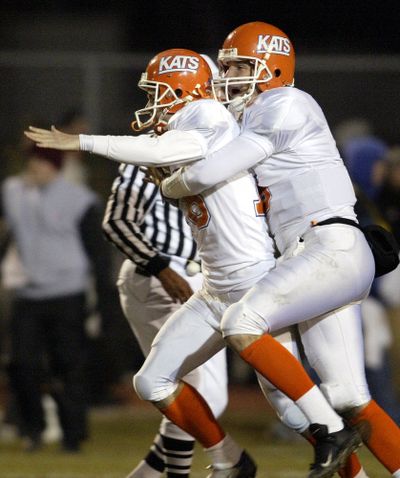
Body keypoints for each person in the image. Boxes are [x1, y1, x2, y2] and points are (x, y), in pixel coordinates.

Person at [25, 48, 363, 478]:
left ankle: (343, 448)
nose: (151, 102)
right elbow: (162, 150)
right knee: (151, 382)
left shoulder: (207, 116)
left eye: (157, 91)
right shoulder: (185, 125)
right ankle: (229, 459)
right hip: (213, 287)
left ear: (181, 86)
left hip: (253, 283)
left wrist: (86, 141)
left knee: (293, 412)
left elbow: (179, 147)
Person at [158, 22, 400, 477]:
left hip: (328, 245)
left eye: (238, 66)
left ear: (271, 67)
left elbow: (210, 174)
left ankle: (327, 430)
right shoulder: (252, 113)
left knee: (242, 322)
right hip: (312, 253)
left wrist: (173, 182)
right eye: (225, 65)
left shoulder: (285, 101)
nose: (228, 75)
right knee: (350, 396)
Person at [102, 161, 229, 478]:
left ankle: (147, 473)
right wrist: (160, 266)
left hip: (202, 277)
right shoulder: (148, 154)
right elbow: (117, 222)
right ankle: (181, 473)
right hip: (161, 274)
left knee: (212, 398)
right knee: (190, 387)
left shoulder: (212, 149)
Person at [0, 143, 112, 452]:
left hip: (68, 292)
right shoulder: (12, 191)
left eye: (42, 164)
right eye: (32, 163)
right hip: (28, 292)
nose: (35, 169)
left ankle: (72, 436)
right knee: (21, 363)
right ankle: (32, 429)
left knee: (69, 367)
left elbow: (97, 252)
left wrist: (102, 301)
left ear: (56, 167)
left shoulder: (79, 199)